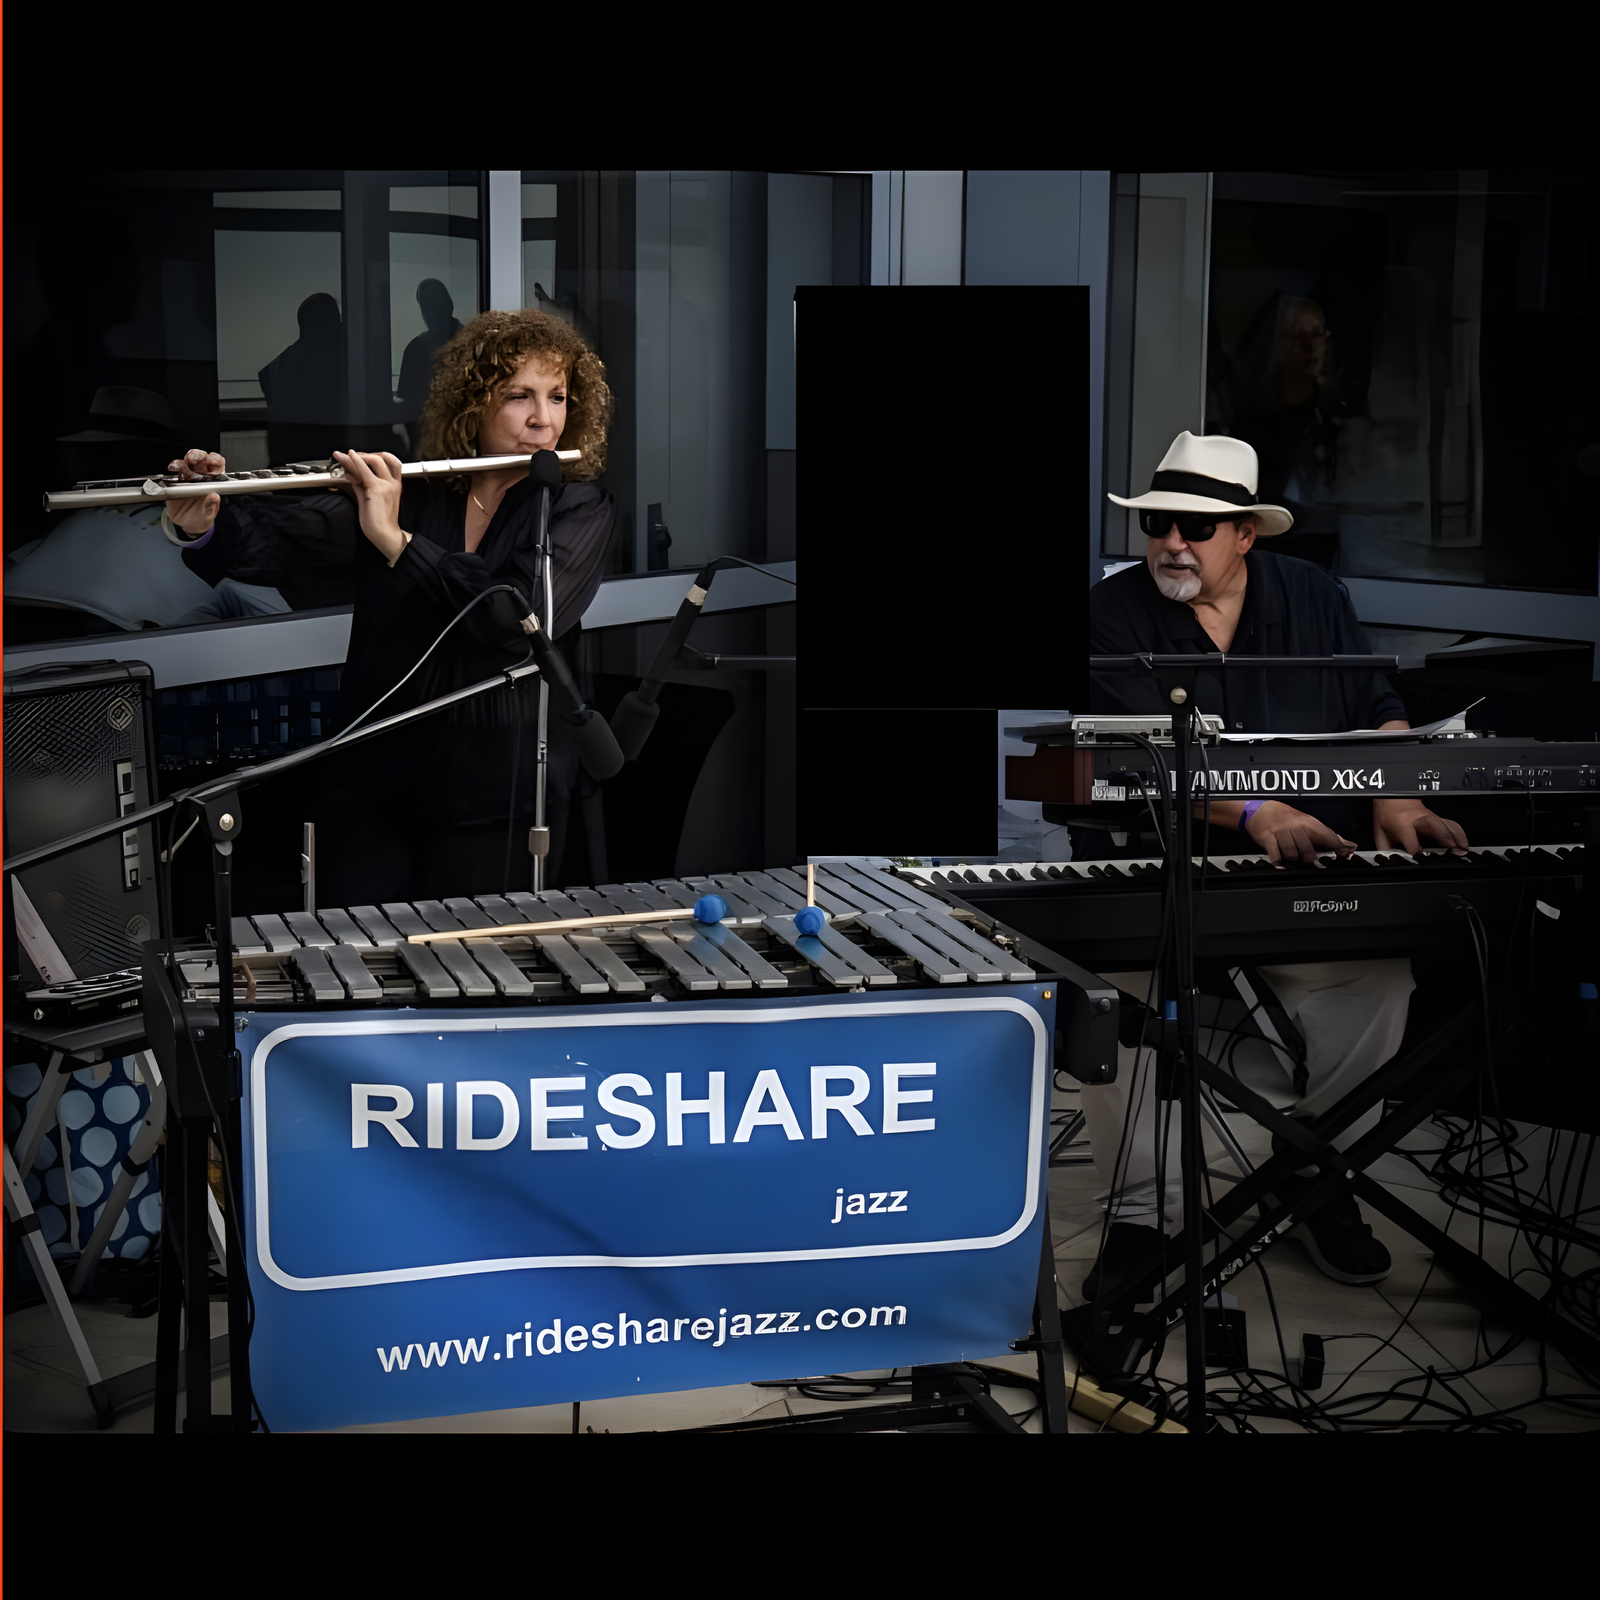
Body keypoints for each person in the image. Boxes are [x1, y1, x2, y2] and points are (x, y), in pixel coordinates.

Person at [1081, 431, 1469, 1298]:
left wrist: (1397, 796)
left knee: (1377, 982)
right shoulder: (1111, 613)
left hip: (1304, 869)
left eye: (1195, 527)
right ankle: (1143, 1215)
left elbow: (1378, 704)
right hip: (1158, 867)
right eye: (1157, 524)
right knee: (1118, 1001)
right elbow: (1134, 761)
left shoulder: (1313, 595)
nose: (1171, 543)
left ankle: (1314, 1172)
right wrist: (1257, 811)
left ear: (1246, 534)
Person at [164, 308, 616, 903]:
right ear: (473, 403)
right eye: (518, 396)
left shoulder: (576, 507)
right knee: (353, 946)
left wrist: (398, 543)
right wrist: (209, 519)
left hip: (492, 798)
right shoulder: (414, 491)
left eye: (557, 397)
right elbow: (288, 543)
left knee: (469, 956)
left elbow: (510, 619)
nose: (544, 418)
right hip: (373, 784)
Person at [258, 292, 347, 466]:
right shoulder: (333, 360)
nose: (342, 326)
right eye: (336, 320)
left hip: (291, 455)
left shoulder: (282, 364)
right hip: (307, 457)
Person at [395, 279, 462, 431]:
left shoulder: (472, 343)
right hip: (425, 434)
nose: (432, 313)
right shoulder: (415, 348)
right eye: (427, 307)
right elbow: (406, 403)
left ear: (449, 305)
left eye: (437, 305)